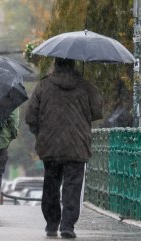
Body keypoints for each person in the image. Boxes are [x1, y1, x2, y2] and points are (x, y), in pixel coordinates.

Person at [25, 58, 103, 239]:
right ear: (74, 64)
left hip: (50, 145)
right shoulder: (85, 86)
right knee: (72, 186)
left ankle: (52, 223)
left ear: (56, 64)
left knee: (51, 184)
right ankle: (68, 225)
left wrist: (41, 132)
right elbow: (98, 111)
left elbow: (30, 116)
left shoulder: (43, 86)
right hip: (77, 145)